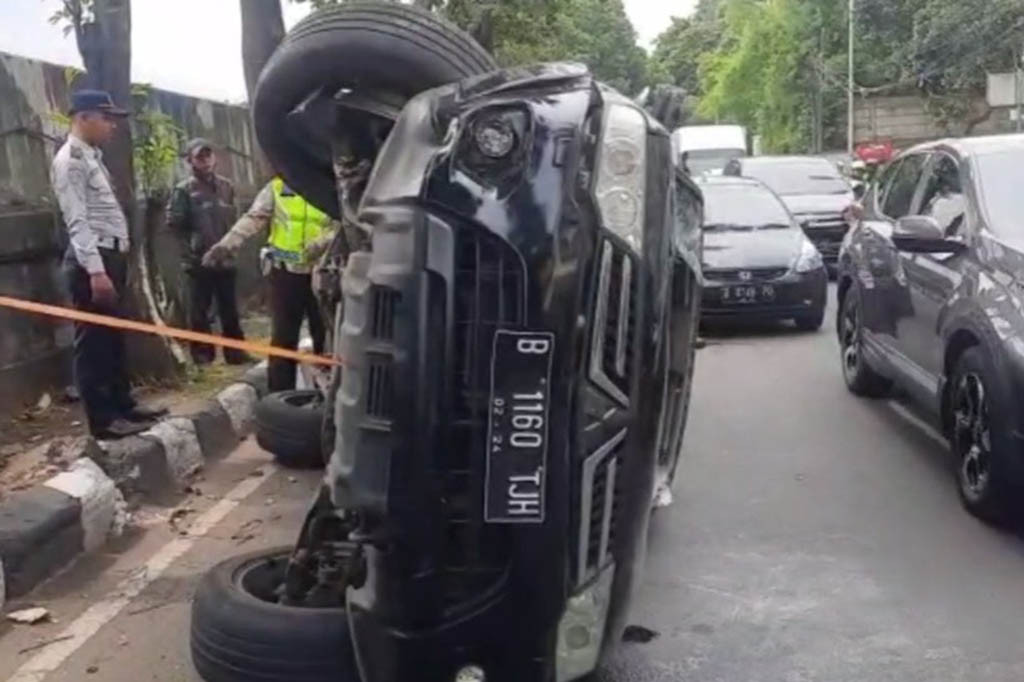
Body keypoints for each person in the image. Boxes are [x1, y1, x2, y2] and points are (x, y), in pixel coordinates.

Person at [51, 90, 168, 439]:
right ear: (83, 117)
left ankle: (123, 406)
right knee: (94, 343)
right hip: (93, 260)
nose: (112, 125)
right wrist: (96, 270)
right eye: (106, 117)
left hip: (110, 256)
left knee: (114, 338)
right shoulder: (70, 159)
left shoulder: (92, 156)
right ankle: (103, 420)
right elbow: (77, 220)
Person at [203, 177, 334, 392]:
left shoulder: (328, 184)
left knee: (325, 336)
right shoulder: (278, 187)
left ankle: (327, 395)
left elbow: (344, 224)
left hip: (323, 273)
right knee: (283, 338)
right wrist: (227, 245)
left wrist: (323, 243)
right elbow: (254, 218)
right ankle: (280, 398)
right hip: (285, 273)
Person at [167, 139, 252, 365]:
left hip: (225, 259)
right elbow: (175, 226)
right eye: (199, 157)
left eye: (208, 156)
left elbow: (237, 221)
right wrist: (190, 253)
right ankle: (203, 356)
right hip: (198, 261)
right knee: (199, 312)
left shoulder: (227, 186)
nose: (205, 161)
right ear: (189, 161)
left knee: (230, 310)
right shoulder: (183, 190)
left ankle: (236, 353)